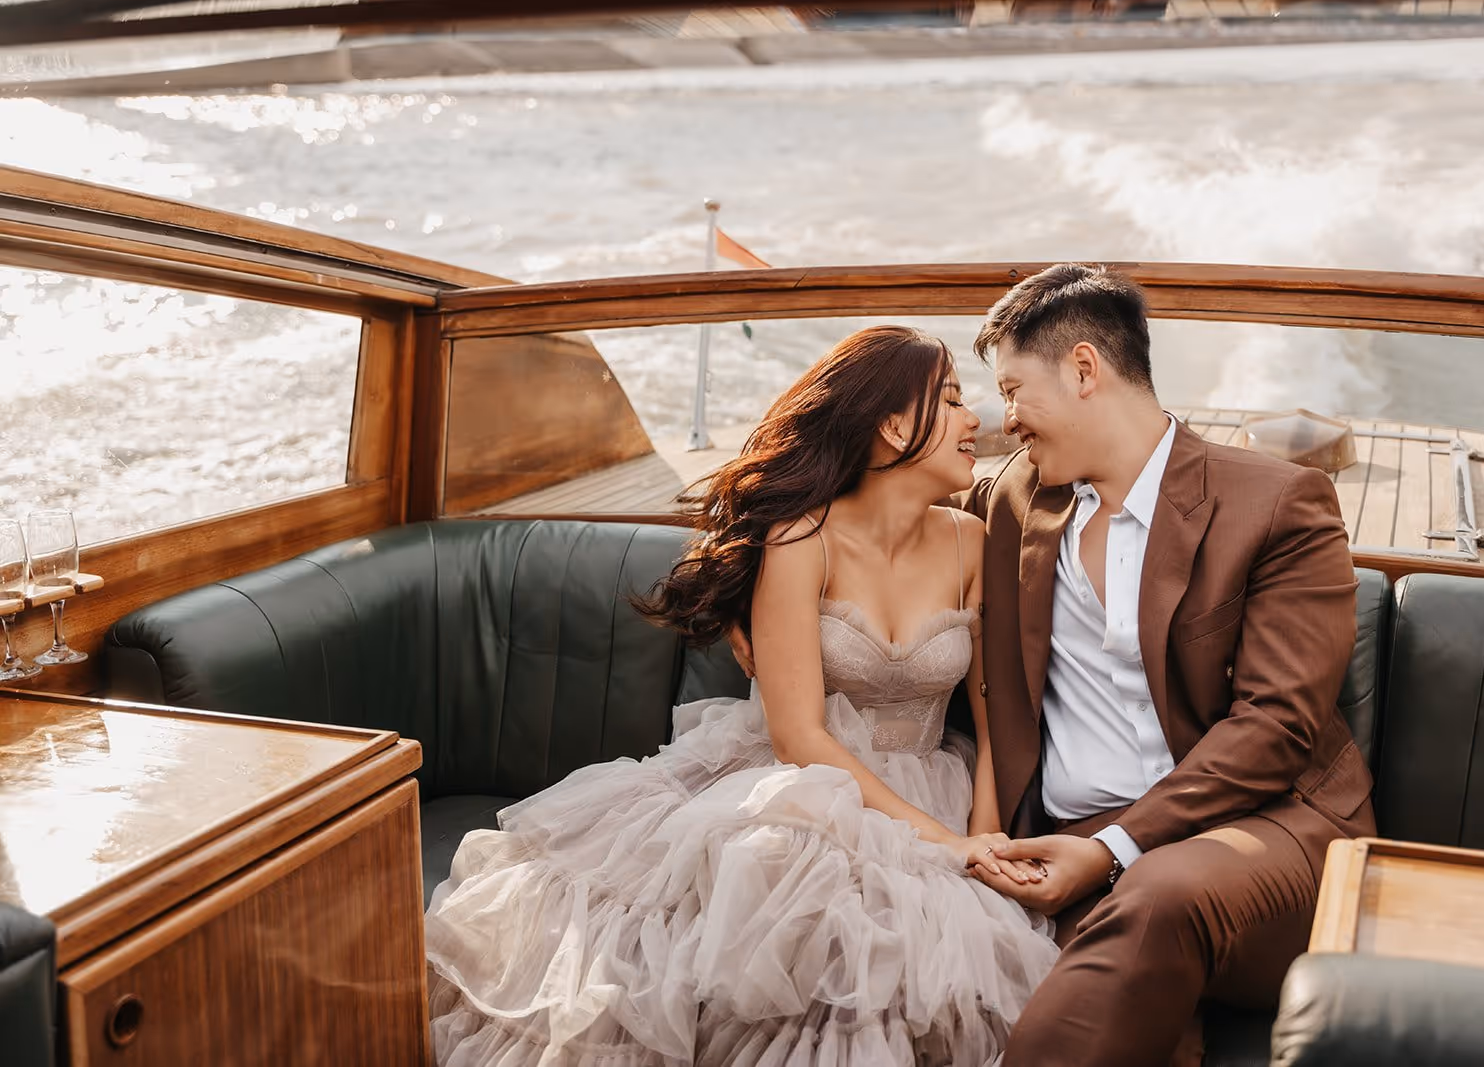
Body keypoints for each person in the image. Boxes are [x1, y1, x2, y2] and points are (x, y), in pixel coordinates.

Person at [425, 325, 1061, 1067]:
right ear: (892, 427)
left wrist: (983, 846)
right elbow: (799, 739)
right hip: (803, 787)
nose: (974, 417)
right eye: (951, 400)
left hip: (934, 782)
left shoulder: (968, 538)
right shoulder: (801, 538)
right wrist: (943, 842)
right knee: (788, 897)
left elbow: (990, 726)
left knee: (939, 950)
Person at [956, 263, 1377, 1066]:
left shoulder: (1278, 504)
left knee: (1156, 897)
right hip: (1068, 844)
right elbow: (888, 513)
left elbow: (1278, 725)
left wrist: (1115, 845)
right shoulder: (1016, 497)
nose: (1005, 420)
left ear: (1085, 369)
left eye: (1013, 390)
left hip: (1265, 831)